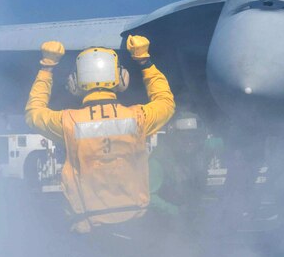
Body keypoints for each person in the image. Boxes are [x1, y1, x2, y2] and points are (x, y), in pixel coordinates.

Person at [25, 36, 175, 233]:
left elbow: (33, 113)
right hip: (135, 224)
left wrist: (47, 68)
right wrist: (145, 62)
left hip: (88, 228)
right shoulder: (138, 118)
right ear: (121, 78)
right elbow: (166, 102)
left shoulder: (68, 123)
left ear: (74, 82)